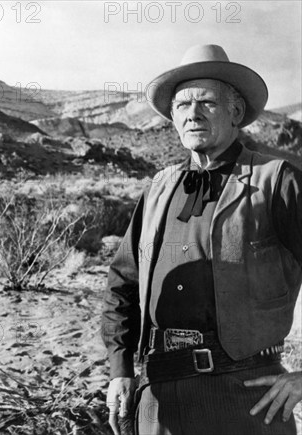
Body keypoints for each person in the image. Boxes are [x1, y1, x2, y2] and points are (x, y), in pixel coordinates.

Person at [102, 44, 302, 435]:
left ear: (236, 112)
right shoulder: (157, 189)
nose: (192, 113)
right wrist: (119, 369)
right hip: (159, 401)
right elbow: (121, 285)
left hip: (248, 398)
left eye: (207, 102)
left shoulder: (277, 180)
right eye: (182, 105)